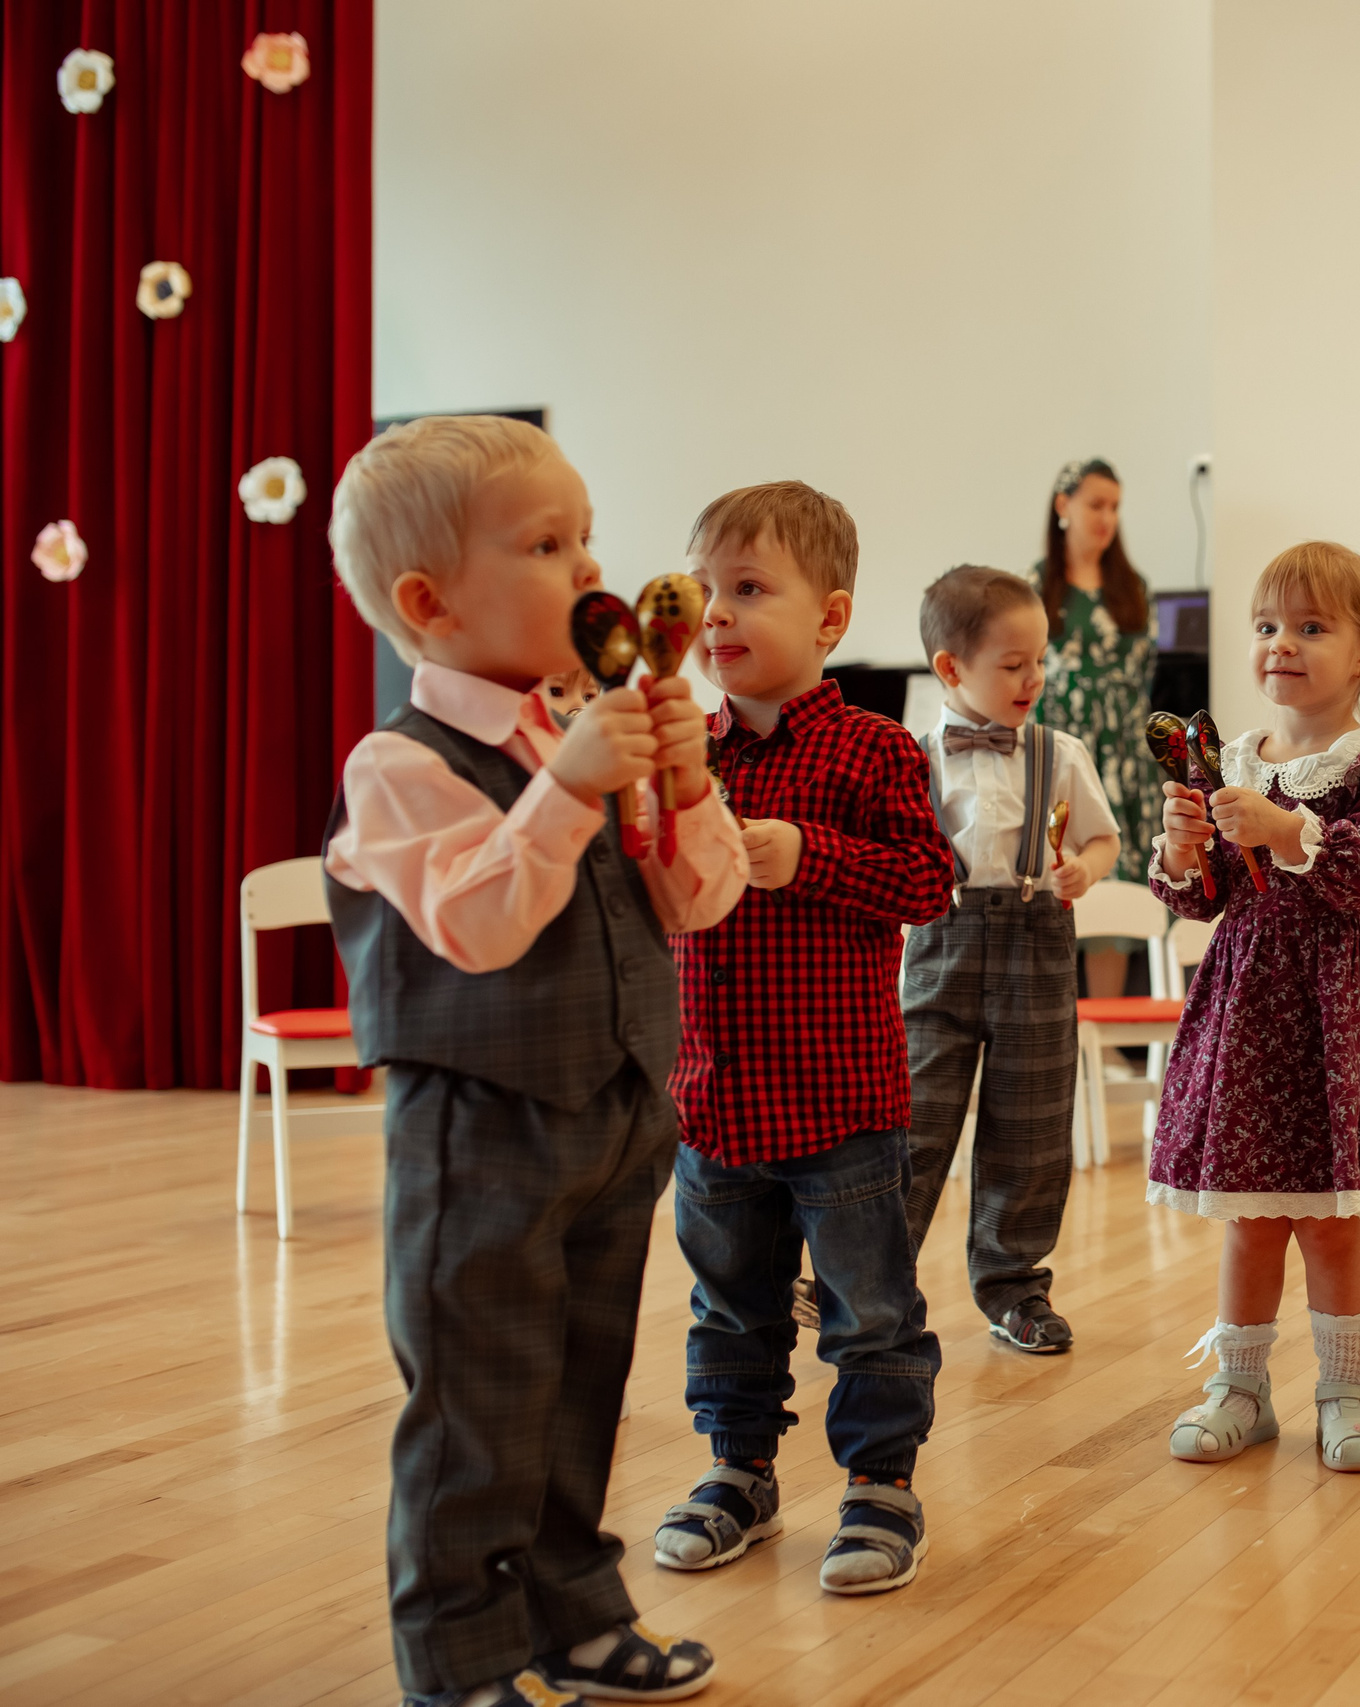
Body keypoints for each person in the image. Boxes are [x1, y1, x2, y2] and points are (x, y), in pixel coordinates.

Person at [322, 414, 747, 1707]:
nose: (586, 569)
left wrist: (685, 780)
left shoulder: (584, 730)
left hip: (611, 1121)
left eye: (588, 538)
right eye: (546, 542)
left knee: (577, 1385)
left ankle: (569, 1610)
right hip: (483, 1137)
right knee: (474, 1410)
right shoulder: (400, 761)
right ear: (427, 600)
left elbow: (698, 899)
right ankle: (459, 1655)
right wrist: (565, 787)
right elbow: (479, 922)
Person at [642, 482, 954, 1597]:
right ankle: (739, 1470)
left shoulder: (873, 751)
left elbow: (928, 882)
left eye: (748, 590)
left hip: (841, 1108)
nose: (717, 616)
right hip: (713, 1102)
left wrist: (804, 854)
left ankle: (880, 1483)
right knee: (729, 1308)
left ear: (828, 619)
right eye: (704, 592)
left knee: (870, 1316)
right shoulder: (684, 754)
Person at [1147, 542, 1360, 1473]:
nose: (1283, 644)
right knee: (1253, 1211)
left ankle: (1345, 1389)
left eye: (1312, 627)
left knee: (1328, 1212)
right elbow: (1205, 898)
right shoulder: (1229, 756)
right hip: (1249, 1005)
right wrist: (1187, 850)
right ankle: (1239, 1387)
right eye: (1268, 626)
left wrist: (1283, 828)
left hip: (1336, 1007)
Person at [902, 565, 1122, 1354]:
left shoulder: (1058, 752)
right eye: (1012, 663)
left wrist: (1084, 871)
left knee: (1028, 1126)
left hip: (1035, 940)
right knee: (915, 1118)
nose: (1033, 677)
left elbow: (1102, 836)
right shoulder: (910, 755)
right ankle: (873, 1280)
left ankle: (1013, 1285)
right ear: (951, 669)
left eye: (1039, 660)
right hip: (942, 944)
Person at [1036, 457, 1158, 1005]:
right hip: (1061, 752)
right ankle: (1064, 1029)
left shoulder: (1133, 588)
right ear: (1064, 506)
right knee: (1058, 876)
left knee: (1119, 884)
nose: (1106, 517)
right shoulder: (1033, 587)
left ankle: (1107, 1033)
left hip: (1125, 761)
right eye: (1095, 504)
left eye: (1114, 507)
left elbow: (1143, 679)